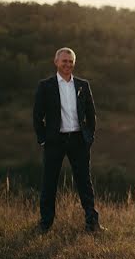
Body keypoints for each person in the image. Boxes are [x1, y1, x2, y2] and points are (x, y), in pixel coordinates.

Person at [33, 48, 102, 233]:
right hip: (54, 141)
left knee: (84, 182)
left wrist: (90, 136)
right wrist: (43, 139)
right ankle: (45, 223)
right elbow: (37, 116)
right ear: (56, 62)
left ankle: (92, 223)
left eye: (71, 61)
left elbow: (91, 114)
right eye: (64, 61)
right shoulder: (45, 86)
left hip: (78, 140)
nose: (68, 64)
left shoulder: (82, 85)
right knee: (49, 183)